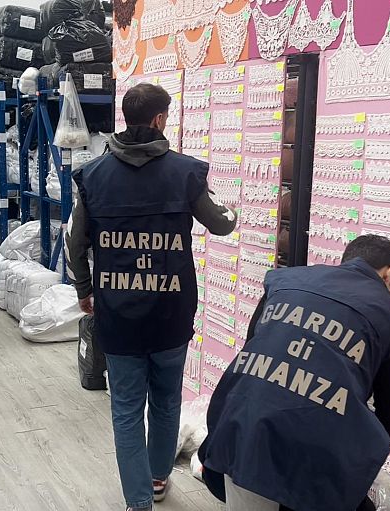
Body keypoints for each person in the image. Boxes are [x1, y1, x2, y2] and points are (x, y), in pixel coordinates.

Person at [65, 83, 238, 511]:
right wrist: (229, 207)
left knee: (125, 409)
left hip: (118, 314)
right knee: (166, 401)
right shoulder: (186, 173)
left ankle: (138, 501)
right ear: (160, 119)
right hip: (170, 314)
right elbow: (222, 224)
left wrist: (85, 290)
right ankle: (159, 478)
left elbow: (74, 241)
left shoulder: (92, 175)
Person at [197, 235, 390, 511]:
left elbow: (257, 349)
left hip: (238, 433)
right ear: (389, 274)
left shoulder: (286, 281)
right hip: (311, 459)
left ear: (346, 261)